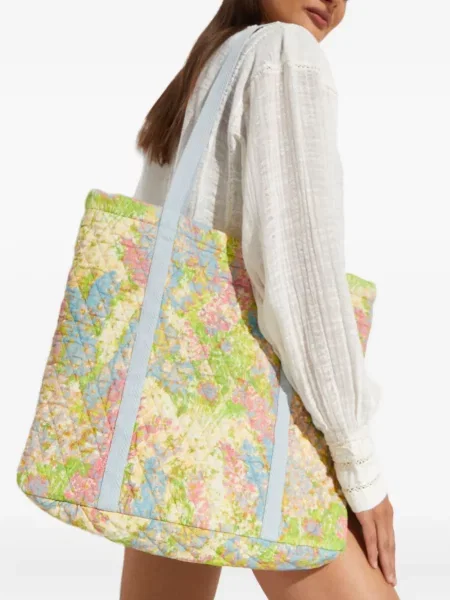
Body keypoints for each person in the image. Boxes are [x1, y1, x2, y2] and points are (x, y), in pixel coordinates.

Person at [121, 1, 398, 599]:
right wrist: (360, 468)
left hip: (172, 421)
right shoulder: (284, 55)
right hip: (251, 433)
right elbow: (301, 280)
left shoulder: (210, 66)